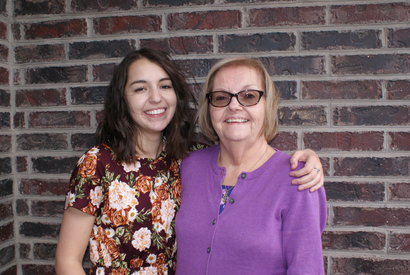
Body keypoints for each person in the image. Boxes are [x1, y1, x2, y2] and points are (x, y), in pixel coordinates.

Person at [55, 48, 324, 275]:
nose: (155, 97)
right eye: (221, 97)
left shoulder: (186, 158)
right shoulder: (106, 162)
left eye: (249, 95)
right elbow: (67, 260)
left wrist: (309, 161)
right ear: (122, 100)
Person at [175, 57, 327, 274]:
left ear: (268, 104)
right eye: (221, 97)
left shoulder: (298, 178)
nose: (234, 106)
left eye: (249, 96)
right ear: (209, 108)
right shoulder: (190, 165)